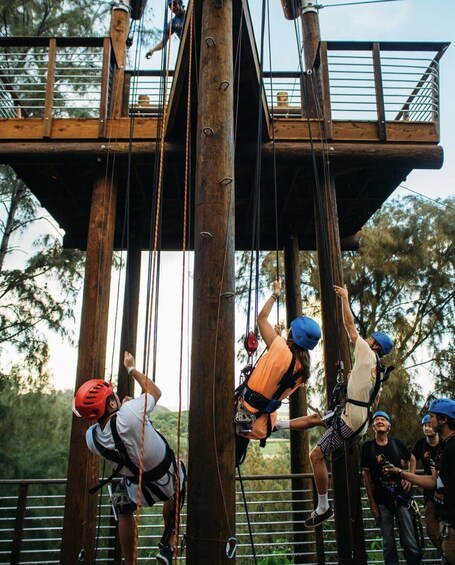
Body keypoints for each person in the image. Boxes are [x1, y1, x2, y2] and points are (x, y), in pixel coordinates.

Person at [286, 283, 394, 528]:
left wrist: (345, 299)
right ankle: (279, 423)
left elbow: (349, 326)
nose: (366, 339)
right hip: (358, 419)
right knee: (318, 419)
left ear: (375, 344)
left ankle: (323, 506)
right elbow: (372, 398)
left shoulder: (367, 351)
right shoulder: (379, 372)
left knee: (316, 455)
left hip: (351, 419)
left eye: (371, 338)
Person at [72, 351, 186, 565]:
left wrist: (126, 409)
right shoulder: (130, 413)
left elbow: (118, 433)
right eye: (112, 396)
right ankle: (169, 545)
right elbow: (155, 391)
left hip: (136, 490)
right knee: (181, 476)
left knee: (122, 507)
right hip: (166, 481)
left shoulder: (92, 438)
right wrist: (131, 368)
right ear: (112, 405)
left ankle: (128, 560)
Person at [234, 279, 321, 464]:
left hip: (240, 412)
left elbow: (261, 319)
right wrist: (278, 340)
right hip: (259, 423)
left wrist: (275, 293)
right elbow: (280, 376)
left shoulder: (280, 347)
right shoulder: (303, 371)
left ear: (293, 334)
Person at [384, 398, 455, 565]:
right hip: (445, 523)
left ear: (443, 420)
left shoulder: (453, 449)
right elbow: (433, 481)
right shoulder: (443, 448)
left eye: (432, 416)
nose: (428, 421)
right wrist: (401, 473)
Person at [361, 411, 422, 565]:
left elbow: (412, 459)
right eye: (377, 420)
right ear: (373, 426)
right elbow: (366, 476)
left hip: (402, 498)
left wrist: (410, 478)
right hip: (382, 500)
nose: (380, 421)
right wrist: (372, 504)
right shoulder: (367, 448)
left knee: (409, 541)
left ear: (389, 425)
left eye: (383, 419)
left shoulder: (396, 444)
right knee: (388, 543)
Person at [410, 413, 440, 552]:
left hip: (445, 489)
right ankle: (445, 552)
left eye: (429, 425)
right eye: (425, 426)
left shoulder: (444, 443)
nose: (428, 428)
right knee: (431, 530)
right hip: (429, 492)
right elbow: (412, 458)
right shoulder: (421, 444)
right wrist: (410, 474)